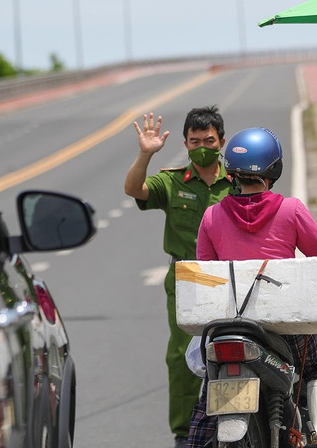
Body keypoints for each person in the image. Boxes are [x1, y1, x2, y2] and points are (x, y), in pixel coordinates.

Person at [187, 127, 317, 448]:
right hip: (285, 329)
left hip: (227, 328)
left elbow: (207, 276)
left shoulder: (211, 216)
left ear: (231, 172)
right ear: (274, 170)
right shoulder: (292, 210)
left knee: (210, 388)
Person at [124, 106, 235, 448]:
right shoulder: (172, 182)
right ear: (186, 144)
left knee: (237, 349)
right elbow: (134, 189)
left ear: (222, 142)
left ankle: (236, 422)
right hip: (186, 278)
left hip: (230, 277)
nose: (202, 145)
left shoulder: (237, 182)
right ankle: (187, 434)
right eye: (195, 140)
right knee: (184, 355)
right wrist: (145, 154)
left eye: (209, 140)